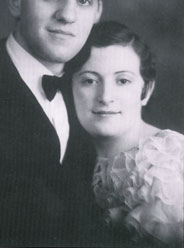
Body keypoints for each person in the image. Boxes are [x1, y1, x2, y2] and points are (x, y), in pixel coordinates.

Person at [0, 0, 109, 246]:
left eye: (83, 0)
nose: (68, 15)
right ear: (17, 1)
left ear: (97, 12)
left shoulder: (92, 95)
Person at [66, 21, 184, 247]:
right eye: (90, 81)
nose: (105, 96)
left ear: (146, 91)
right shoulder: (71, 154)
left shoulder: (164, 164)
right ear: (70, 88)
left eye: (122, 81)